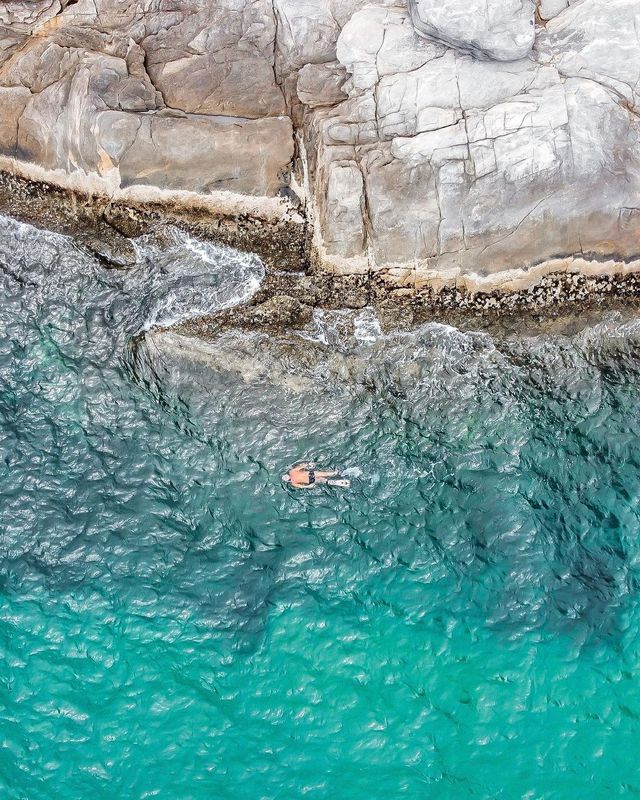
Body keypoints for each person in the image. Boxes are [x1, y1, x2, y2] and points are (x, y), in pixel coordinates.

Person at [282, 462, 350, 489]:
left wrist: (309, 486)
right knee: (325, 474)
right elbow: (301, 467)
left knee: (324, 480)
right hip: (311, 474)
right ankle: (337, 473)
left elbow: (302, 486)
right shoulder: (292, 472)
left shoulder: (293, 482)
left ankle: (330, 481)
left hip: (311, 479)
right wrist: (308, 465)